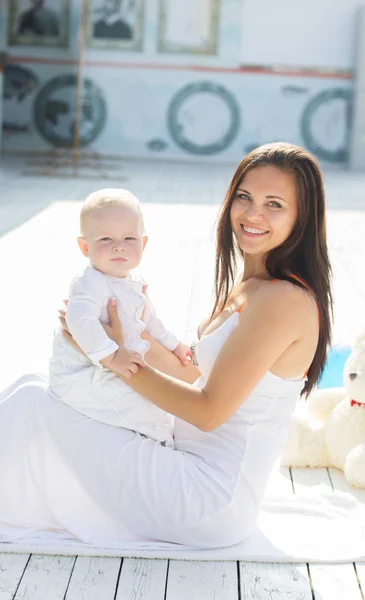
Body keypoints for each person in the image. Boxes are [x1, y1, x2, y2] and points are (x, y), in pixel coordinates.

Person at [0, 143, 332, 549]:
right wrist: (126, 332)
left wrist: (118, 361)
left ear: (302, 217)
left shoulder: (282, 300)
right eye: (244, 197)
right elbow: (191, 371)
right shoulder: (249, 287)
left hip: (208, 497)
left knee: (31, 404)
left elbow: (209, 412)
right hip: (179, 459)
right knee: (33, 389)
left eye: (274, 204)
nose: (252, 214)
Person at [48, 188, 191, 447]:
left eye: (129, 238)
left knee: (146, 399)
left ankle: (157, 431)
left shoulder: (133, 284)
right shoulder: (90, 283)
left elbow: (151, 323)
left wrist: (175, 345)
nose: (118, 246)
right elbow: (80, 322)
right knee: (135, 405)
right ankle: (157, 440)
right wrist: (112, 356)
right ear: (84, 246)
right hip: (80, 375)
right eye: (105, 239)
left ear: (143, 243)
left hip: (108, 367)